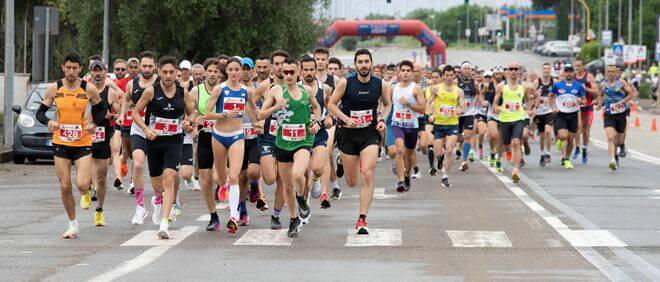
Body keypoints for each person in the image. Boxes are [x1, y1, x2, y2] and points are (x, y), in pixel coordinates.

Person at [35, 52, 106, 238]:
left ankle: (87, 190)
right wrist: (49, 122)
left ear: (80, 69)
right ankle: (73, 224)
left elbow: (101, 108)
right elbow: (40, 113)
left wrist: (94, 124)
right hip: (61, 141)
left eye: (75, 68)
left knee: (82, 185)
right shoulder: (54, 88)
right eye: (68, 68)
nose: (71, 72)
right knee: (65, 186)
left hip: (82, 141)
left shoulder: (88, 88)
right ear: (63, 68)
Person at [328, 49, 391, 235]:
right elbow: (331, 104)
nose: (364, 65)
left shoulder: (380, 84)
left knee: (367, 173)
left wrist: (382, 119)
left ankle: (362, 219)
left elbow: (387, 104)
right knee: (352, 181)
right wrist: (345, 119)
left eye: (366, 61)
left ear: (371, 63)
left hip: (369, 133)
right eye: (360, 62)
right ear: (355, 65)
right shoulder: (346, 83)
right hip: (348, 134)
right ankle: (340, 160)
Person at [131, 55, 195, 239]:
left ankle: (164, 224)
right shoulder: (151, 91)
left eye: (171, 72)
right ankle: (156, 199)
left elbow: (191, 114)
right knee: (157, 184)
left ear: (177, 73)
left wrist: (188, 123)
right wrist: (145, 129)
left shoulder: (183, 92)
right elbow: (136, 113)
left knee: (169, 179)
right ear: (159, 72)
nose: (168, 75)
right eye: (165, 72)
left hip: (174, 140)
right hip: (154, 141)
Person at [262, 57, 321, 237]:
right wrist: (275, 107)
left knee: (298, 174)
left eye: (292, 72)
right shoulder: (276, 90)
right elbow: (260, 113)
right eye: (284, 72)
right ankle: (294, 218)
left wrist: (316, 123)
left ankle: (302, 198)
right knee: (287, 186)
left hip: (304, 140)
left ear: (298, 73)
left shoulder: (307, 90)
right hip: (283, 142)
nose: (288, 75)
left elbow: (317, 108)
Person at [205, 57, 257, 233]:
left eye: (238, 69)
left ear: (242, 71)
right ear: (226, 71)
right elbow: (207, 113)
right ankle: (224, 186)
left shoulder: (247, 91)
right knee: (220, 178)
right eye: (231, 69)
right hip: (219, 136)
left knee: (234, 176)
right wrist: (226, 114)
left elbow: (255, 111)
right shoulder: (220, 89)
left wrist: (266, 116)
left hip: (237, 136)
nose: (235, 73)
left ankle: (233, 216)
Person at [116, 51, 159, 223]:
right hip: (139, 129)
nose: (147, 69)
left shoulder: (161, 83)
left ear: (155, 66)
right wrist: (122, 113)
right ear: (139, 66)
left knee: (159, 172)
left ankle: (159, 201)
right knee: (139, 165)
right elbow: (126, 99)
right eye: (144, 66)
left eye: (150, 66)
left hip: (158, 131)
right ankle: (140, 207)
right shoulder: (132, 84)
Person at [254, 50, 289, 229]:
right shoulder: (265, 86)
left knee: (283, 179)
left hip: (288, 138)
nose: (280, 67)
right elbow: (250, 103)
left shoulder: (296, 86)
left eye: (283, 63)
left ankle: (276, 215)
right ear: (271, 66)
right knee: (269, 178)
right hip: (268, 137)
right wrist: (257, 122)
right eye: (276, 63)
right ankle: (256, 184)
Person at [190, 58, 224, 231]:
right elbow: (190, 112)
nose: (212, 74)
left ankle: (238, 206)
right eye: (209, 71)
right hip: (205, 137)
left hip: (224, 138)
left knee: (220, 178)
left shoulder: (226, 90)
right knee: (206, 181)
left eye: (215, 71)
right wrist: (193, 120)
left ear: (220, 74)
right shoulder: (196, 91)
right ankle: (213, 215)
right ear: (205, 72)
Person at [87, 59, 121, 226]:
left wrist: (111, 116)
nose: (98, 73)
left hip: (102, 138)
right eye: (95, 70)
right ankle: (86, 188)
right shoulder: (83, 90)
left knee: (101, 178)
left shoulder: (110, 93)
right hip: (85, 137)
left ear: (105, 73)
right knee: (84, 173)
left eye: (100, 71)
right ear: (90, 73)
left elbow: (119, 115)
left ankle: (99, 209)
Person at [300, 55, 333, 209]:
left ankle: (316, 180)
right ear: (300, 71)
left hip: (319, 133)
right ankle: (305, 207)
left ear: (316, 70)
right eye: (305, 69)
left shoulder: (324, 88)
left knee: (318, 169)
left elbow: (332, 107)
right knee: (304, 172)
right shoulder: (295, 88)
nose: (308, 72)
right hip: (300, 134)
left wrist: (330, 118)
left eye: (311, 69)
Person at [390, 60, 425, 192]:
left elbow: (423, 110)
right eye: (403, 70)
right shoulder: (393, 88)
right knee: (399, 151)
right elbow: (386, 104)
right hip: (397, 124)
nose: (405, 73)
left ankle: (407, 175)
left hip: (412, 125)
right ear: (398, 73)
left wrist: (408, 104)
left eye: (408, 71)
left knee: (409, 155)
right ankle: (400, 181)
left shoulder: (416, 89)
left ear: (411, 73)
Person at [313, 47, 342, 203]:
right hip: (312, 122)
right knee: (324, 157)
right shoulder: (307, 78)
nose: (320, 62)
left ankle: (325, 192)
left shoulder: (335, 81)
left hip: (329, 121)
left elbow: (337, 102)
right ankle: (331, 183)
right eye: (317, 59)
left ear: (328, 60)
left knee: (327, 152)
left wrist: (333, 116)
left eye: (323, 59)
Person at [428, 65, 464, 187]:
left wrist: (459, 110)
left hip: (453, 124)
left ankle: (445, 176)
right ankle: (440, 159)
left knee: (449, 150)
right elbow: (428, 103)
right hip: (439, 124)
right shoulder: (436, 89)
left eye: (451, 75)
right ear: (443, 76)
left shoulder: (459, 91)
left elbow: (462, 107)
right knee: (438, 153)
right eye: (446, 75)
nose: (449, 77)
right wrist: (430, 114)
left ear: (454, 76)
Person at [493, 62, 528, 183]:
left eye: (515, 69)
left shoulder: (523, 86)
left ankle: (516, 170)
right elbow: (495, 103)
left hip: (518, 118)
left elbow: (529, 99)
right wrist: (496, 108)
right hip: (504, 119)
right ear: (507, 71)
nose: (513, 71)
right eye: (511, 69)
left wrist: (531, 109)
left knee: (516, 142)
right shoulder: (501, 86)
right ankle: (499, 158)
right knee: (503, 143)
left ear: (518, 71)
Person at [549, 64, 585, 169]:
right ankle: (559, 139)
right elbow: (550, 97)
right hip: (561, 114)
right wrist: (553, 107)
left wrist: (579, 100)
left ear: (573, 73)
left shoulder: (578, 86)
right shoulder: (558, 85)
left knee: (570, 139)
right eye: (567, 71)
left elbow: (584, 100)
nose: (569, 73)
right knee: (563, 135)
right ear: (564, 73)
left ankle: (566, 158)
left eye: (570, 71)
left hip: (573, 114)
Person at [600, 64, 634, 170]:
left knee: (618, 140)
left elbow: (631, 94)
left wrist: (623, 101)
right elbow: (600, 95)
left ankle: (621, 145)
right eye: (608, 71)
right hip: (609, 114)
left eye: (612, 71)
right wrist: (600, 104)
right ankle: (613, 159)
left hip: (621, 114)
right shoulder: (603, 84)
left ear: (616, 73)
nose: (610, 73)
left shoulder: (622, 82)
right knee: (610, 137)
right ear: (606, 73)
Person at [572, 58, 599, 164]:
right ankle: (577, 148)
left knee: (586, 129)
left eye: (579, 66)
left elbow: (596, 91)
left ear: (583, 67)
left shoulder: (589, 77)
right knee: (578, 127)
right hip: (576, 106)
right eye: (575, 66)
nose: (577, 68)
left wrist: (586, 89)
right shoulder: (572, 77)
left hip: (587, 106)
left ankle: (584, 149)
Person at [534, 63, 555, 167]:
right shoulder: (536, 82)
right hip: (539, 112)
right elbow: (530, 96)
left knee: (548, 131)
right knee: (542, 135)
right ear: (542, 70)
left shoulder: (554, 82)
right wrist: (535, 94)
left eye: (548, 68)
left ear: (550, 70)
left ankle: (548, 153)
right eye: (544, 69)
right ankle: (542, 153)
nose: (546, 70)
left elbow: (559, 94)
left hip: (549, 111)